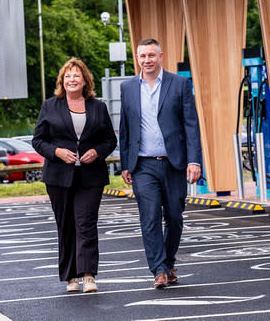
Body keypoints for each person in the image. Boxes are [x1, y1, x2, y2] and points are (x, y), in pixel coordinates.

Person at [119, 38, 202, 289]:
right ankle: (158, 270)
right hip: (143, 164)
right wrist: (125, 164)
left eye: (151, 55)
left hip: (174, 163)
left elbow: (191, 124)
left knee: (175, 216)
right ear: (137, 58)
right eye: (142, 56)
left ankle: (168, 261)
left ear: (160, 56)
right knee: (150, 217)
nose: (147, 60)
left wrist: (194, 160)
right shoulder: (128, 87)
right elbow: (125, 128)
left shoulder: (179, 84)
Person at [32, 58, 117, 294]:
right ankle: (71, 276)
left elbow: (110, 140)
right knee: (66, 225)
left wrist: (97, 152)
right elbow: (38, 140)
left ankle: (88, 275)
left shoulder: (98, 107)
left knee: (86, 223)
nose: (72, 79)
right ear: (62, 80)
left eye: (76, 75)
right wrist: (56, 151)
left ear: (85, 80)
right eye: (68, 76)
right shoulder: (50, 106)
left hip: (90, 177)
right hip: (59, 177)